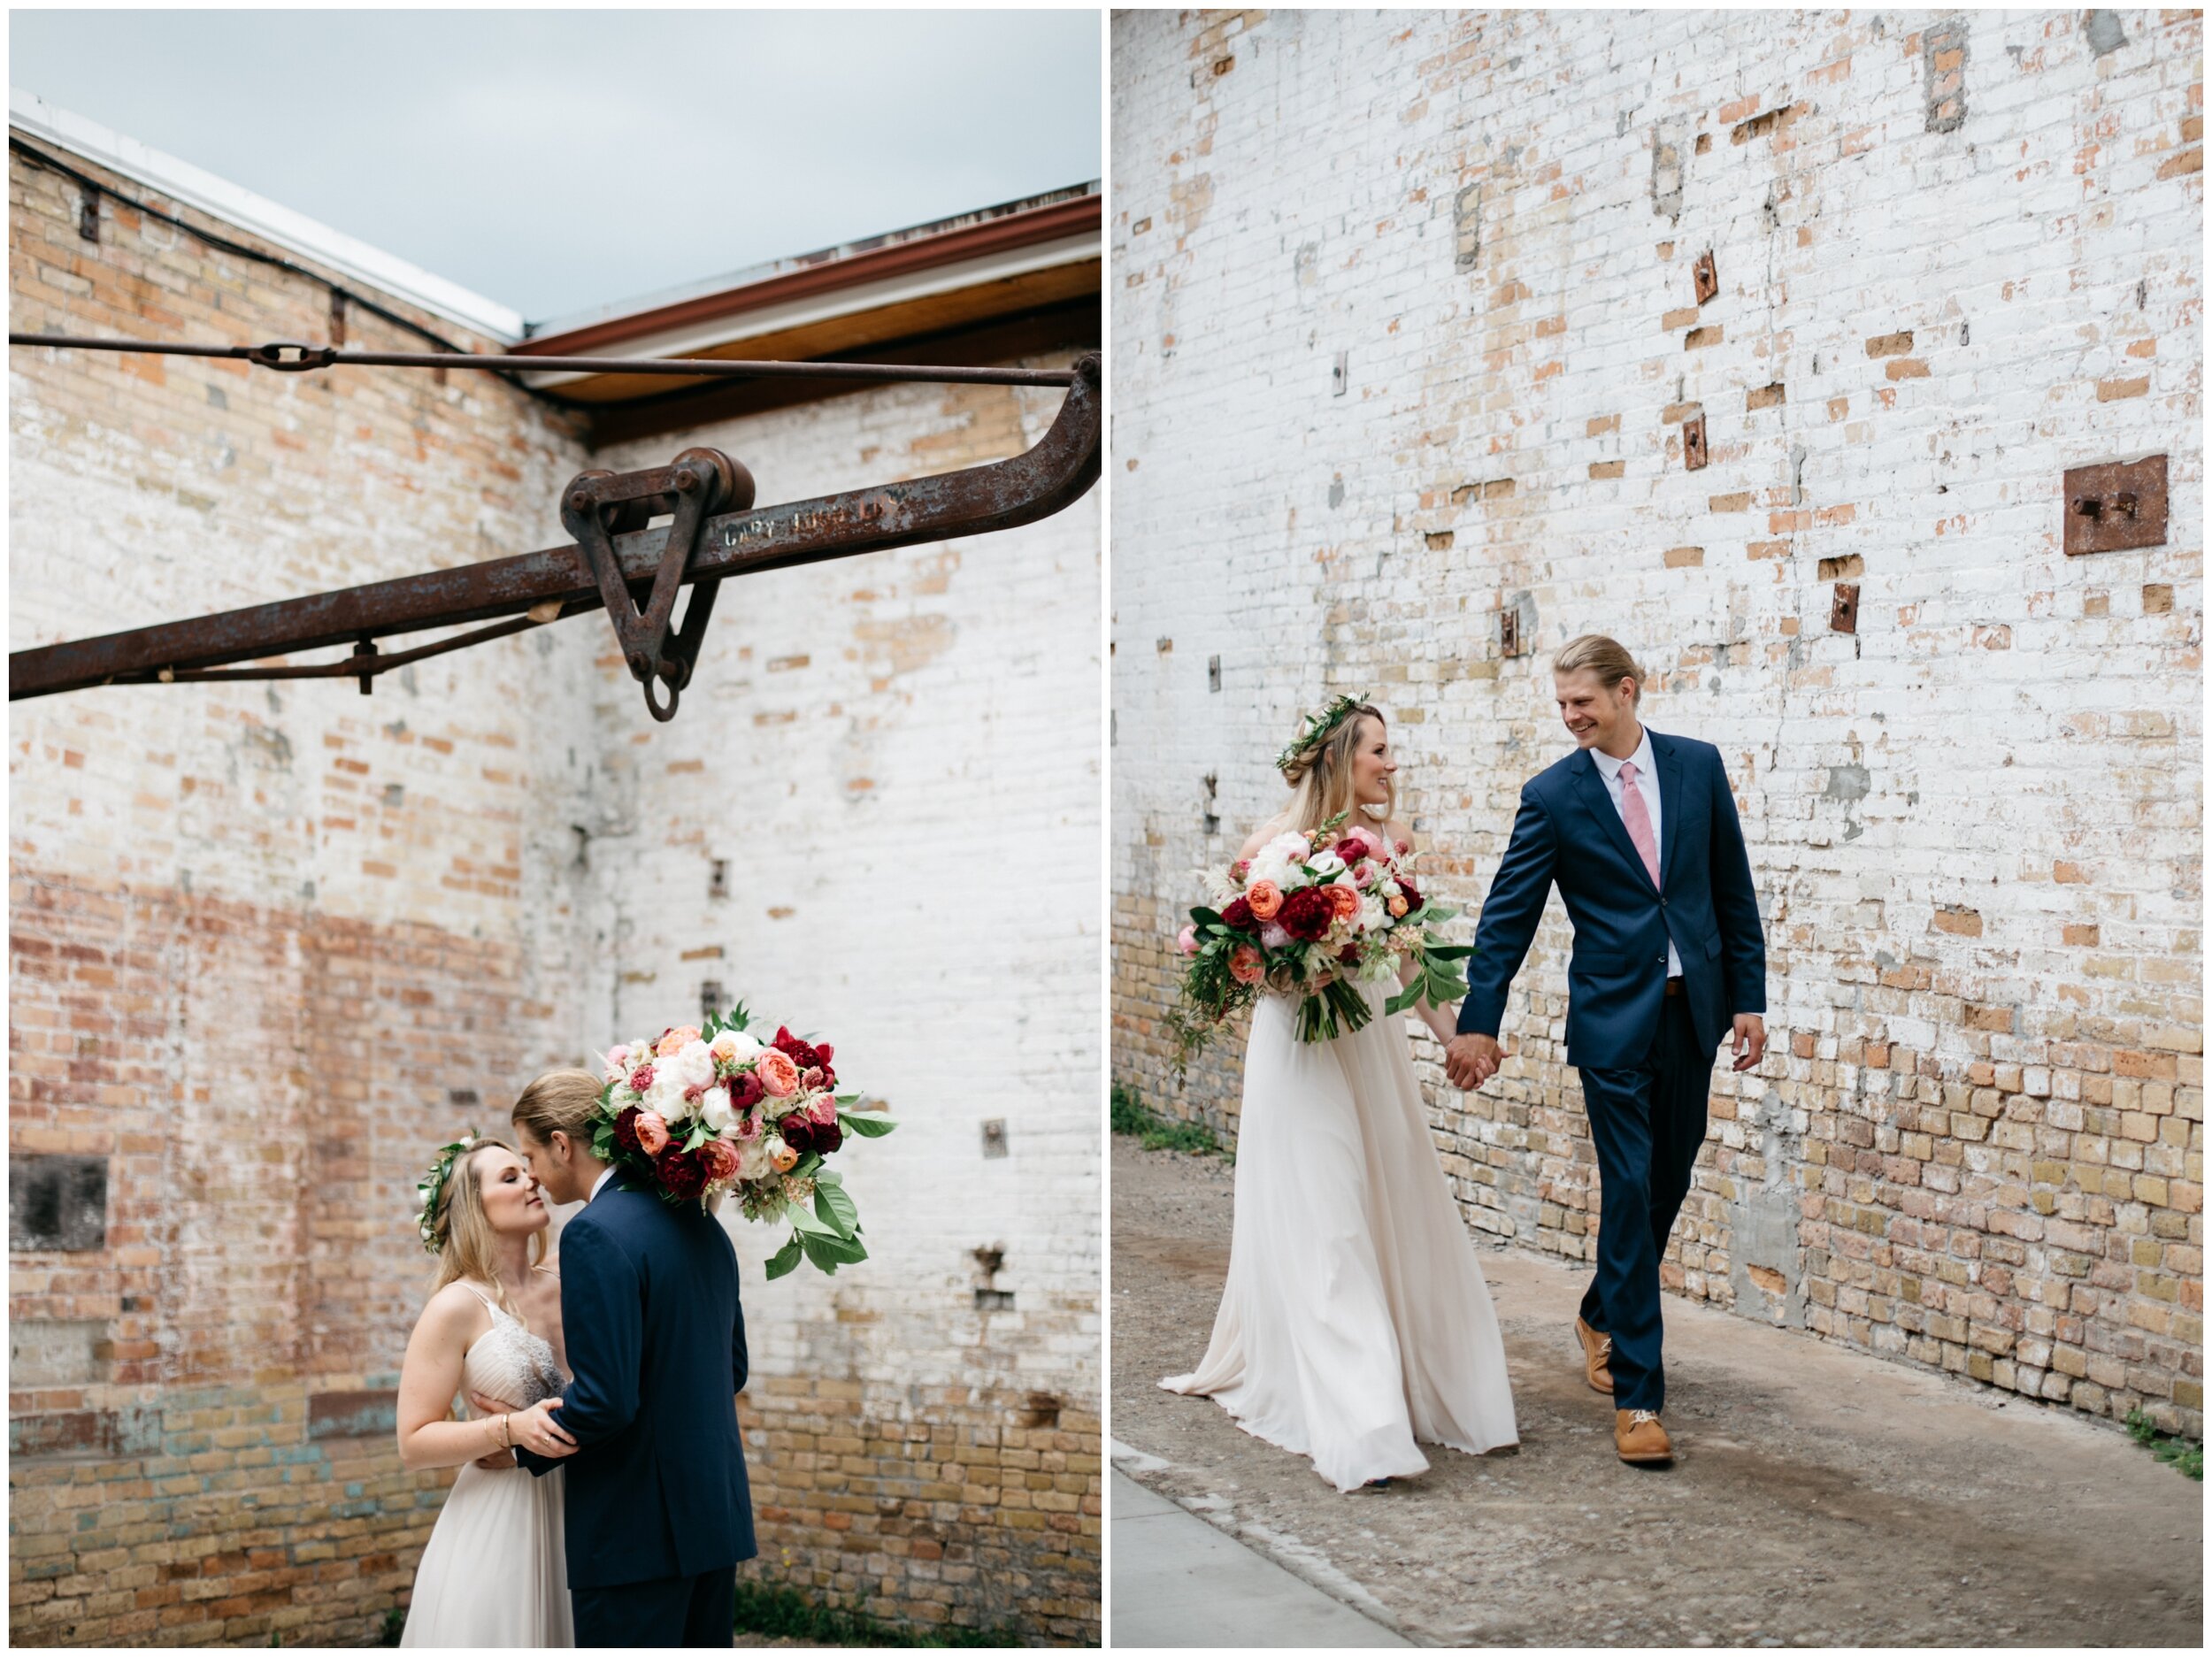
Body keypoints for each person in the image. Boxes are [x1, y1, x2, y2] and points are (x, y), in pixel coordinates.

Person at [1161, 697, 1519, 1492]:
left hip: (1370, 1050)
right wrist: (1291, 960)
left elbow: (1406, 958)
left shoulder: (1395, 846)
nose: (1391, 765)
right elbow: (1240, 966)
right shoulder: (1268, 850)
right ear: (1339, 761)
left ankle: (1408, 1382)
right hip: (1297, 1056)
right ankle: (1363, 1423)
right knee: (1327, 1221)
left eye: (1391, 752)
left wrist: (1457, 1036)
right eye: (1379, 751)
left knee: (1387, 1205)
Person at [1444, 634, 1768, 1467]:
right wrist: (1481, 1018)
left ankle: (1599, 1309)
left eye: (1581, 701)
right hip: (1611, 1022)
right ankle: (1639, 1397)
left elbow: (1732, 888)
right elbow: (1506, 914)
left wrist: (1748, 999)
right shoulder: (1553, 796)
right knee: (1628, 1185)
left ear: (1627, 690)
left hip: (1689, 1011)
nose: (1570, 716)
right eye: (1561, 704)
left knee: (1670, 1176)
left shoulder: (1697, 767)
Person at [490, 1070, 756, 1648]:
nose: (531, 1172)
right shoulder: (702, 1221)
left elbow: (608, 1398)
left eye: (531, 1154)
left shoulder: (593, 1234)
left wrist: (516, 1443)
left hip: (635, 1531)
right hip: (714, 1517)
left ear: (563, 1144)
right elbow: (731, 1368)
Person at [396, 1132, 578, 1646]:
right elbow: (413, 1442)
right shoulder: (455, 1307)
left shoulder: (572, 1283)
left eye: (528, 1169)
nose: (533, 1179)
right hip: (500, 1522)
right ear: (474, 1206)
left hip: (587, 1508)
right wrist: (508, 1429)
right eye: (511, 1176)